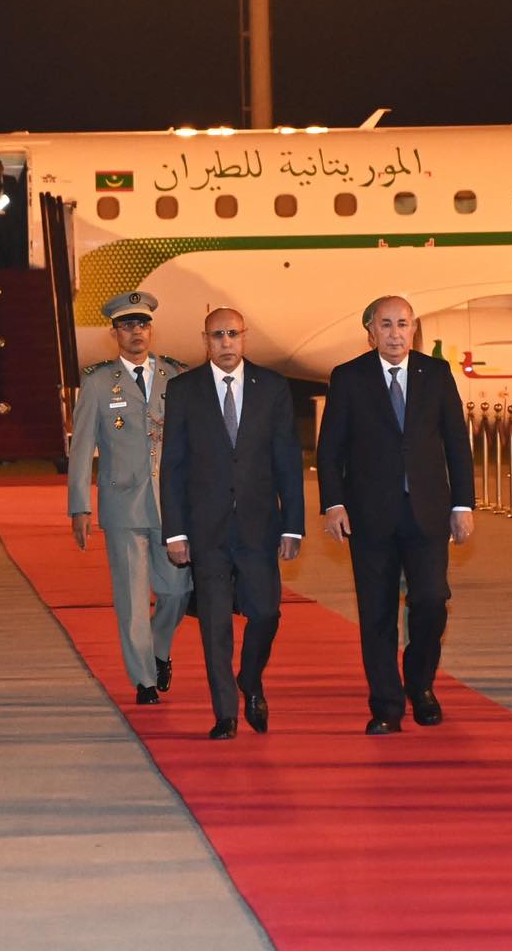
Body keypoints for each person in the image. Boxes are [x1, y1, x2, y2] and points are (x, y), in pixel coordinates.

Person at [317, 296, 475, 736]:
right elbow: (330, 449)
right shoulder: (349, 377)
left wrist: (463, 505)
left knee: (431, 599)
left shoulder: (436, 374)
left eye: (402, 324)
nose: (394, 333)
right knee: (377, 613)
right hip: (370, 516)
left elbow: (456, 444)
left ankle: (420, 685)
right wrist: (334, 503)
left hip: (429, 513)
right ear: (371, 332)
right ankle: (386, 703)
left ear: (413, 328)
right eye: (385, 325)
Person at [160, 306, 304, 739]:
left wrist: (293, 525)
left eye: (232, 334)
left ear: (245, 336)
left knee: (266, 613)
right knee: (215, 625)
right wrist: (175, 532)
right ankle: (225, 714)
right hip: (206, 529)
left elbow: (287, 460)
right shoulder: (184, 390)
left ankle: (250, 678)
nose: (226, 342)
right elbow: (173, 465)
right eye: (217, 335)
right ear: (205, 341)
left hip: (260, 526)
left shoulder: (273, 387)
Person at [68, 291, 192, 705]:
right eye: (127, 325)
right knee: (133, 599)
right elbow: (82, 448)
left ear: (151, 329)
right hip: (123, 503)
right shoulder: (98, 382)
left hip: (172, 503)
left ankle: (158, 649)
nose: (136, 332)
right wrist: (79, 506)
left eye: (142, 324)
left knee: (177, 591)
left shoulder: (177, 376)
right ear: (115, 333)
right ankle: (144, 680)